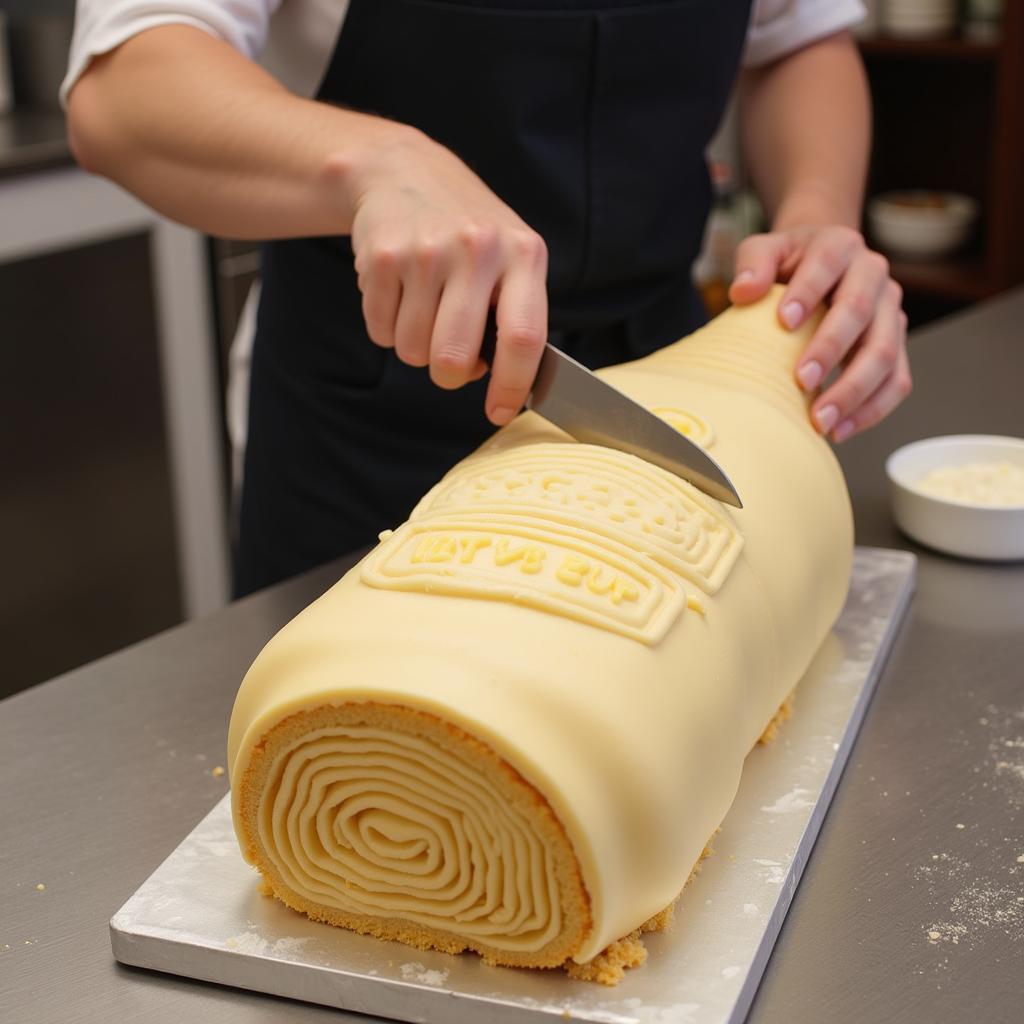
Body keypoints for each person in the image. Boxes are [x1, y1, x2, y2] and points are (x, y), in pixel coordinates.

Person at [63, 0, 911, 596]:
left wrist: (818, 216)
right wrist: (379, 163)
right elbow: (124, 85)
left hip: (662, 374)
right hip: (365, 416)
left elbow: (797, 40)